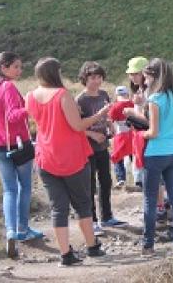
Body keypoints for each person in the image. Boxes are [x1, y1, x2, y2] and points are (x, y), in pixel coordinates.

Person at [25, 57, 108, 266]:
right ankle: (92, 246)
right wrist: (99, 115)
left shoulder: (31, 96)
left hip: (45, 155)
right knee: (82, 203)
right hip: (71, 156)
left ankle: (65, 254)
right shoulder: (63, 95)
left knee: (58, 208)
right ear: (56, 73)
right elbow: (78, 126)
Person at [0, 52, 43, 259]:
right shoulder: (7, 86)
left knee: (9, 189)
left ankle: (10, 230)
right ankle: (22, 229)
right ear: (4, 67)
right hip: (18, 144)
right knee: (24, 186)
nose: (20, 70)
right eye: (16, 67)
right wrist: (30, 107)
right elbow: (12, 116)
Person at [140, 58, 173, 254]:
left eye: (146, 77)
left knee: (151, 200)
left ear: (153, 76)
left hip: (155, 152)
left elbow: (153, 132)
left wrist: (140, 134)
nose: (144, 81)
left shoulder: (155, 99)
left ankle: (148, 244)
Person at [76, 62, 126, 235]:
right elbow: (77, 126)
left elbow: (108, 114)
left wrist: (110, 125)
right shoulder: (80, 100)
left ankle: (107, 216)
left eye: (99, 77)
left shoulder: (103, 94)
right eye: (92, 78)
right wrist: (92, 134)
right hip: (87, 147)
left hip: (103, 144)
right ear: (85, 79)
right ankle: (93, 220)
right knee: (89, 184)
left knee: (106, 180)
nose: (96, 81)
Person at [126, 56, 149, 188]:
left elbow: (149, 120)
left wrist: (132, 112)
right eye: (131, 74)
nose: (132, 77)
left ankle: (159, 203)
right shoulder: (140, 91)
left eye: (136, 74)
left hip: (147, 134)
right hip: (140, 134)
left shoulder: (147, 92)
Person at [109, 86, 135, 187]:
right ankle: (139, 177)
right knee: (135, 156)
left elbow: (110, 120)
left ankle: (121, 178)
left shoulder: (115, 106)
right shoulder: (132, 104)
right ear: (127, 94)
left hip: (120, 134)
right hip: (133, 133)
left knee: (117, 157)